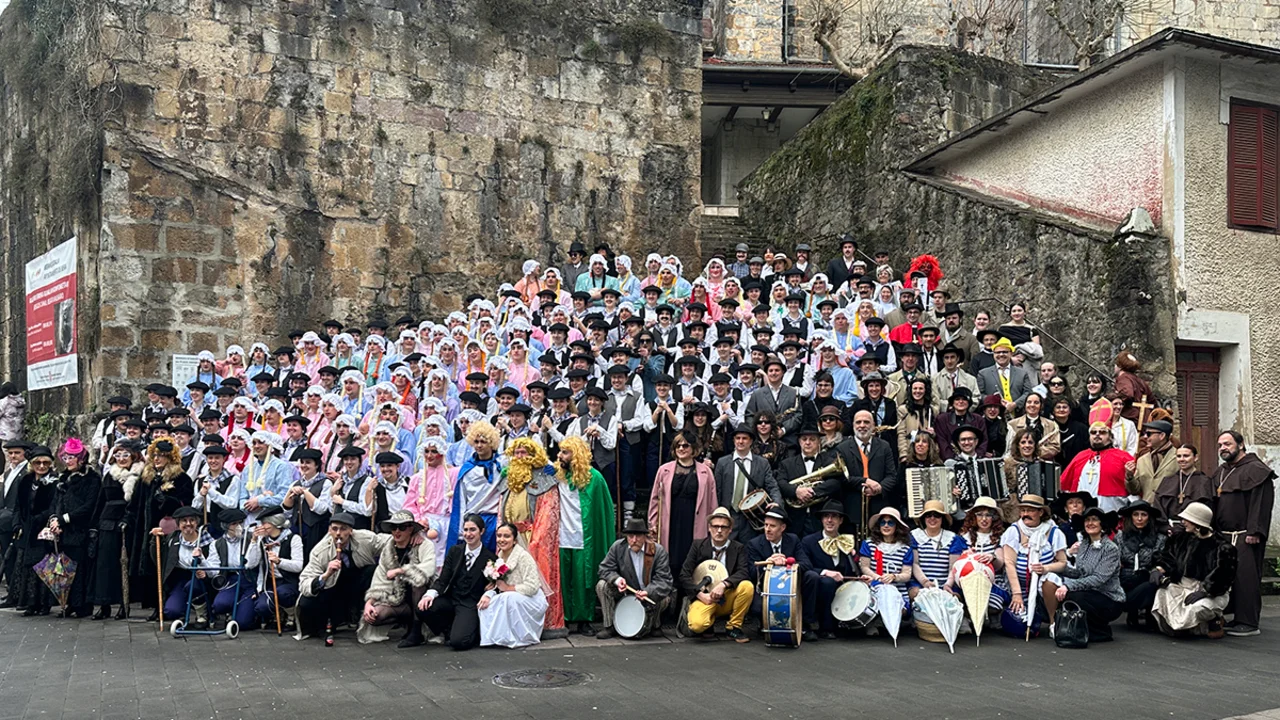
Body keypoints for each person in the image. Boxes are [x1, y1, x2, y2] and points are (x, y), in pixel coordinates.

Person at [1211, 430, 1275, 637]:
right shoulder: (1221, 471)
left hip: (1245, 535)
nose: (1223, 448)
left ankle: (1249, 622)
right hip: (1224, 535)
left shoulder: (1257, 470)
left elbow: (1261, 504)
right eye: (1220, 445)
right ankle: (1235, 617)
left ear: (1240, 445)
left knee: (1246, 578)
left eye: (1227, 444)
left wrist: (1255, 531)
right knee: (1227, 577)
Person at [296, 512, 389, 643]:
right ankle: (329, 621)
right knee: (307, 602)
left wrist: (414, 535)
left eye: (343, 529)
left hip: (358, 581)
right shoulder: (320, 551)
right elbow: (304, 583)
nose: (338, 533)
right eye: (334, 529)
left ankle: (364, 617)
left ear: (351, 531)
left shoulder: (364, 538)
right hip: (333, 589)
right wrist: (326, 574)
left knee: (372, 570)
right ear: (329, 530)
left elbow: (389, 540)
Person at [554, 436, 615, 635]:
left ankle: (583, 620)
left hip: (584, 538)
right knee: (563, 580)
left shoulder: (594, 478)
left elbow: (603, 512)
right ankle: (563, 618)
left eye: (565, 452)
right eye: (560, 451)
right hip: (561, 537)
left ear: (576, 455)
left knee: (583, 580)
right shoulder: (556, 476)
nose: (560, 456)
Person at [1152, 502, 1235, 637]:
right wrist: (1159, 569)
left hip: (1210, 592)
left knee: (1198, 608)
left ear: (1198, 522)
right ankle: (1186, 628)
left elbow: (1224, 576)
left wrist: (1205, 591)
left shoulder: (1222, 547)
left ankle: (1214, 621)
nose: (1183, 522)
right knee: (1161, 594)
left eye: (1187, 519)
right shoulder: (1180, 538)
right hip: (1182, 586)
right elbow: (1168, 557)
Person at [416, 514, 496, 650]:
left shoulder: (490, 558)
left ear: (482, 531)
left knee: (459, 643)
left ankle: (467, 632)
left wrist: (489, 593)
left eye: (473, 530)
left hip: (469, 603)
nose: (468, 534)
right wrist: (429, 595)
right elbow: (443, 580)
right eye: (466, 530)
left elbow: (494, 585)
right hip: (452, 598)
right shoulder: (455, 551)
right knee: (423, 608)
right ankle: (449, 630)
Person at [358, 511, 437, 646]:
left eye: (402, 527)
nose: (397, 531)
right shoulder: (388, 549)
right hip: (399, 601)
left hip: (423, 600)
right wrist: (369, 603)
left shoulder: (424, 544)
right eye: (393, 527)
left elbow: (429, 568)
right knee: (375, 616)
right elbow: (380, 579)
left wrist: (400, 571)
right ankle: (406, 622)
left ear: (411, 529)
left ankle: (417, 630)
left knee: (417, 582)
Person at [648, 431, 717, 585]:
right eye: (677, 445)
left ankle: (689, 592)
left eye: (685, 445)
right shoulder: (663, 470)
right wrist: (653, 523)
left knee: (692, 558)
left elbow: (712, 502)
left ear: (694, 448)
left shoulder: (706, 472)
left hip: (695, 521)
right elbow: (654, 499)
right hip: (670, 521)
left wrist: (713, 526)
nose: (681, 448)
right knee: (670, 557)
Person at [678, 507, 753, 643]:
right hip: (704, 597)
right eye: (715, 526)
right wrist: (699, 595)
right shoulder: (698, 545)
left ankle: (733, 627)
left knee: (747, 587)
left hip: (726, 597)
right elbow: (684, 575)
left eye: (723, 527)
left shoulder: (738, 548)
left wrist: (724, 584)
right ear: (709, 528)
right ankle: (708, 623)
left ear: (730, 529)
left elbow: (743, 572)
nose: (719, 530)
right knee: (697, 625)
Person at [595, 517, 674, 639]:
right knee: (602, 585)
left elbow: (664, 580)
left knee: (664, 597)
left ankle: (655, 624)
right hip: (626, 591)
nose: (634, 540)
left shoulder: (658, 551)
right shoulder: (618, 547)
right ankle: (610, 626)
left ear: (645, 536)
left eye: (638, 536)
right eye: (630, 536)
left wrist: (648, 591)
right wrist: (617, 580)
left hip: (649, 594)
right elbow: (604, 568)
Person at [1001, 494, 1068, 637]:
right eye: (1023, 510)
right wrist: (1017, 594)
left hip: (1042, 583)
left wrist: (1046, 568)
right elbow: (1009, 564)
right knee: (1018, 625)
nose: (1025, 514)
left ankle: (1053, 623)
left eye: (1030, 510)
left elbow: (1062, 563)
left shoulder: (1053, 532)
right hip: (1019, 585)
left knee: (1050, 580)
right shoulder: (1014, 531)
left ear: (1041, 512)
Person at [744, 506, 816, 639]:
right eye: (766, 525)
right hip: (766, 588)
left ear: (782, 528)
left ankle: (805, 625)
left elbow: (807, 565)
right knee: (757, 608)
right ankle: (765, 623)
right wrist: (768, 564)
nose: (767, 529)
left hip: (790, 586)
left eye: (772, 526)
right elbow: (751, 573)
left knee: (812, 576)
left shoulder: (793, 540)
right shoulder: (754, 544)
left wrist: (787, 563)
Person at [49, 439, 101, 617]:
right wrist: (55, 521)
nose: (68, 461)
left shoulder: (92, 478)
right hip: (63, 531)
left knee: (80, 568)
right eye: (66, 457)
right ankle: (69, 602)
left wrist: (64, 519)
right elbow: (57, 502)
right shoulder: (63, 478)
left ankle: (82, 605)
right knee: (65, 568)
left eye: (72, 457)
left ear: (81, 459)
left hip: (80, 529)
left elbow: (89, 506)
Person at [1056, 507, 1125, 642]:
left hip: (1110, 598)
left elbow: (1098, 578)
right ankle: (1081, 629)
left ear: (1102, 524)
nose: (1090, 523)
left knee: (1074, 595)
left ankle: (1100, 632)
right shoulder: (1084, 544)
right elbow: (1080, 573)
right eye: (1087, 520)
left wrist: (1068, 586)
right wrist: (1058, 568)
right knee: (1068, 593)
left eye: (1094, 520)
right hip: (1090, 593)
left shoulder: (1111, 548)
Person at [479, 521, 549, 647]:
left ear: (515, 540)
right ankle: (495, 637)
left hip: (531, 598)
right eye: (499, 536)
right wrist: (491, 590)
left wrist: (508, 588)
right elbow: (500, 583)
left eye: (506, 536)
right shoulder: (499, 557)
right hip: (511, 596)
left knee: (507, 598)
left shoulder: (523, 557)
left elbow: (532, 587)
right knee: (487, 603)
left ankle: (518, 637)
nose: (502, 540)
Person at [797, 500, 858, 639]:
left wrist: (860, 577)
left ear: (841, 520)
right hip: (816, 588)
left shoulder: (847, 542)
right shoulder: (808, 541)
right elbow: (805, 567)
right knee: (826, 582)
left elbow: (851, 571)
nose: (829, 520)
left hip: (841, 590)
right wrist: (825, 572)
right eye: (826, 516)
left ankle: (840, 624)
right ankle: (814, 625)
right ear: (822, 519)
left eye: (834, 516)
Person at [1060, 399, 1135, 512]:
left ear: (1110, 436)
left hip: (1113, 513)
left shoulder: (1124, 458)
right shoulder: (1080, 457)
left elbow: (1136, 489)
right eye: (1093, 432)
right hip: (1083, 517)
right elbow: (1064, 485)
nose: (1097, 435)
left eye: (1102, 432)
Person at [834, 410, 900, 536]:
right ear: (853, 425)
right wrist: (865, 481)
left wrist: (879, 488)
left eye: (866, 422)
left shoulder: (884, 446)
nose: (862, 425)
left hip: (879, 507)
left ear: (873, 425)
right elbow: (841, 478)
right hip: (852, 509)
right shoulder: (842, 448)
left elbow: (892, 476)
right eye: (858, 422)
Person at [713, 427, 782, 542]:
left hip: (751, 517)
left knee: (749, 549)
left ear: (751, 441)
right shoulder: (722, 462)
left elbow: (772, 486)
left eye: (744, 438)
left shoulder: (762, 463)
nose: (740, 441)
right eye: (738, 438)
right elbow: (717, 490)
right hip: (728, 515)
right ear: (733, 440)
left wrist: (777, 502)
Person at [150, 506, 213, 627]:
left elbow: (214, 565)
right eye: (184, 521)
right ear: (178, 524)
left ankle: (202, 614)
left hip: (201, 579)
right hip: (181, 578)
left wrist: (205, 571)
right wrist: (155, 539)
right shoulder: (173, 539)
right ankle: (182, 613)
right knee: (171, 611)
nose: (188, 524)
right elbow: (159, 558)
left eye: (192, 520)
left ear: (197, 523)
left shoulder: (207, 541)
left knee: (193, 587)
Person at [447, 421, 504, 552]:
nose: (479, 445)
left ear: (491, 443)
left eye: (483, 442)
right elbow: (461, 500)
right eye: (476, 441)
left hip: (494, 521)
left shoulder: (501, 465)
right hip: (473, 519)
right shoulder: (467, 469)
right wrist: (461, 529)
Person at [249, 507, 304, 631]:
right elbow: (251, 564)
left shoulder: (293, 538)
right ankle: (277, 614)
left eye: (265, 523)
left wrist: (279, 561)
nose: (262, 526)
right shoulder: (263, 541)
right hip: (270, 582)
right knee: (261, 607)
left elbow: (298, 566)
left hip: (289, 581)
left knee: (282, 593)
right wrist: (254, 541)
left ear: (275, 523)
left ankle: (291, 616)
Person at [1114, 499, 1166, 629]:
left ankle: (1150, 613)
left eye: (1144, 515)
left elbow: (1162, 560)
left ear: (1149, 518)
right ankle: (1132, 612)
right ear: (1130, 517)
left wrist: (1156, 569)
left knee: (1153, 580)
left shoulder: (1160, 539)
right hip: (1125, 579)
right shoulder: (1120, 537)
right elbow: (1115, 560)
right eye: (1135, 514)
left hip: (1148, 576)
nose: (1139, 518)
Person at [957, 497, 1010, 615]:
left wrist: (992, 558)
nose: (984, 519)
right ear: (974, 516)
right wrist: (966, 556)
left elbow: (1000, 563)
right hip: (969, 581)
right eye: (980, 515)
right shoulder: (964, 537)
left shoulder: (1000, 537)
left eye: (988, 515)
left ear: (994, 518)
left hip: (993, 581)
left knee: (993, 604)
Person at [858, 506, 913, 618]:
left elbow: (907, 574)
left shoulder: (905, 548)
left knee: (896, 608)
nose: (886, 526)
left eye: (890, 523)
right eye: (883, 522)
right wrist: (877, 577)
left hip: (898, 591)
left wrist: (894, 577)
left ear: (897, 526)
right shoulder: (868, 544)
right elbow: (864, 567)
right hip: (874, 588)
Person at [208, 508, 257, 631]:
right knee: (220, 605)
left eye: (241, 523)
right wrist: (202, 563)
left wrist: (254, 542)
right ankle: (230, 611)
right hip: (231, 579)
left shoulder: (251, 538)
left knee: (243, 623)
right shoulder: (217, 544)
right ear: (226, 526)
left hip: (249, 579)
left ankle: (247, 612)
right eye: (234, 524)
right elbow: (213, 568)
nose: (239, 526)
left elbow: (254, 563)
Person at [909, 500, 967, 601]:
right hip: (921, 583)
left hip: (946, 583)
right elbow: (915, 563)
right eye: (928, 515)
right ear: (924, 518)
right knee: (915, 593)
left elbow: (953, 567)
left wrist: (948, 585)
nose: (932, 518)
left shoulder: (953, 538)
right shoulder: (914, 536)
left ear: (942, 519)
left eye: (937, 515)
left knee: (955, 597)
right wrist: (925, 582)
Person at [1153, 444, 1213, 527]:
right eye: (1179, 456)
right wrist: (1165, 527)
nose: (1182, 459)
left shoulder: (1204, 481)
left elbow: (1206, 509)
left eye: (1186, 456)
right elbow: (1158, 506)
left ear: (1195, 458)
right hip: (1169, 529)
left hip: (1194, 529)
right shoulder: (1167, 481)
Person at [977, 338, 1034, 414]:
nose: (1001, 354)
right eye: (998, 352)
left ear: (1011, 354)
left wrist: (1015, 404)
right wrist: (995, 401)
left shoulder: (1022, 373)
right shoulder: (983, 373)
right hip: (994, 415)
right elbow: (980, 394)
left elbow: (1028, 392)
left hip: (1018, 414)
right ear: (993, 354)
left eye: (1004, 352)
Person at [1129, 420, 1177, 502]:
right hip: (1148, 507)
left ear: (1162, 436)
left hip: (1169, 508)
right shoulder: (1142, 460)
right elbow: (1135, 490)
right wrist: (1129, 476)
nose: (1145, 437)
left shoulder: (1179, 457)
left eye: (1149, 434)